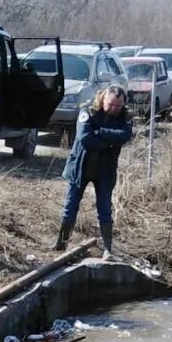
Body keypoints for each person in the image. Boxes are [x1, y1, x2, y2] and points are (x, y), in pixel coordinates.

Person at [55, 85, 133, 259]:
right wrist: (108, 143)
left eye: (118, 106)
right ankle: (61, 244)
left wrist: (101, 132)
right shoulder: (88, 110)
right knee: (70, 207)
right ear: (104, 98)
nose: (114, 109)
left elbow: (125, 136)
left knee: (105, 210)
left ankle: (108, 249)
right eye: (111, 104)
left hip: (105, 170)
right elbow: (85, 138)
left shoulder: (124, 116)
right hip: (80, 167)